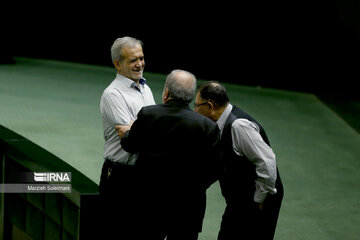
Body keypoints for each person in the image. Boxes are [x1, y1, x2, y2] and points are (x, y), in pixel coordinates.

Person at [116, 70, 222, 240]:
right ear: (191, 96)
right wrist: (193, 187)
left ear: (166, 93)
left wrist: (127, 132)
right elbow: (215, 169)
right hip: (188, 208)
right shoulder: (207, 126)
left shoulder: (148, 114)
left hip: (149, 204)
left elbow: (130, 145)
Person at [194, 81, 284, 240]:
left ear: (209, 106)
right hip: (240, 202)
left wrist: (259, 200)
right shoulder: (220, 125)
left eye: (196, 105)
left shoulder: (239, 125)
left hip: (258, 201)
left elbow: (267, 161)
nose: (194, 110)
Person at [99, 36, 155, 238]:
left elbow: (144, 131)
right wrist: (146, 128)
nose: (139, 64)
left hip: (143, 175)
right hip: (120, 178)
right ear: (117, 64)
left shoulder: (145, 89)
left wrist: (140, 127)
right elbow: (132, 137)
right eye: (133, 60)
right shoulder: (113, 94)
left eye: (141, 58)